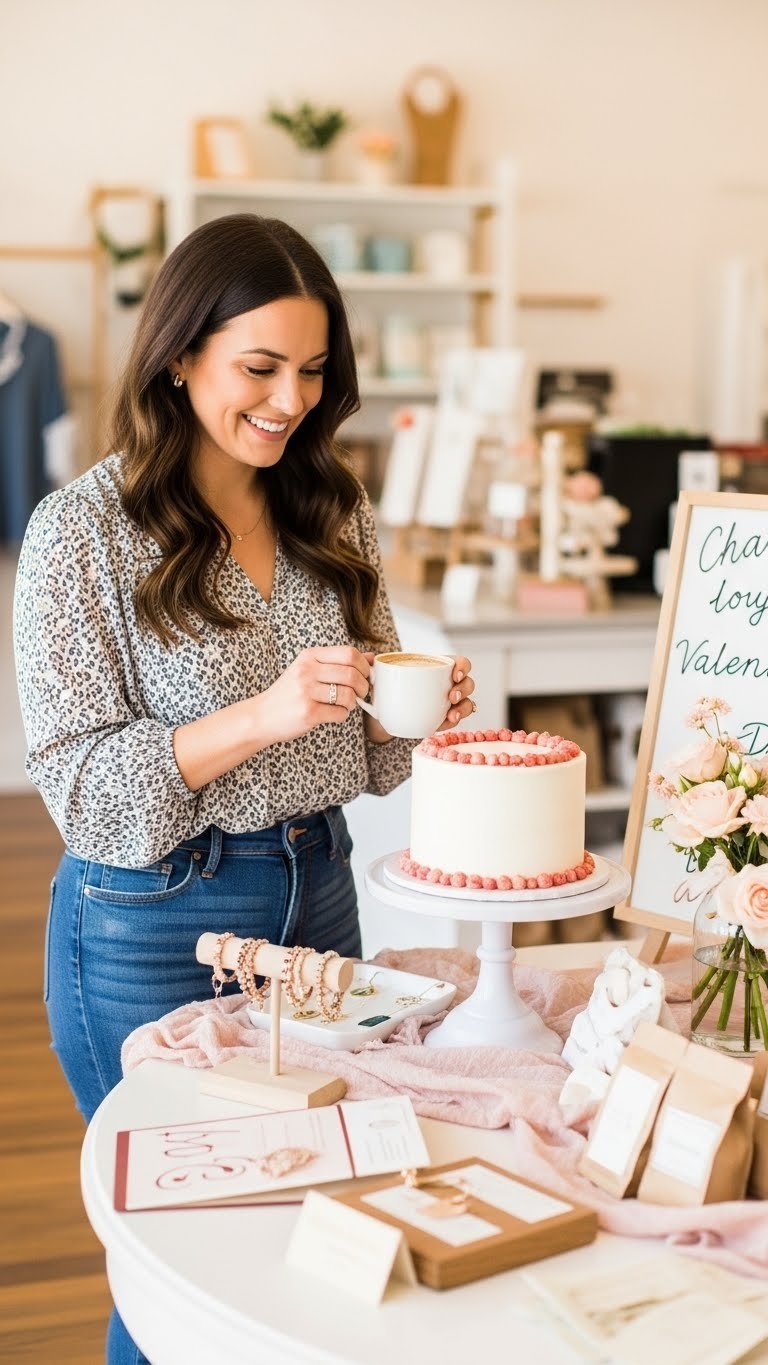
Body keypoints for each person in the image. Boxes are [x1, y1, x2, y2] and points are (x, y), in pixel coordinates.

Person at [13, 213, 475, 1364]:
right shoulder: (82, 534)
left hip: (318, 898)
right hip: (151, 917)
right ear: (181, 356)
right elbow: (79, 791)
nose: (290, 400)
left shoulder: (335, 509)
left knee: (319, 1221)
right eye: (259, 368)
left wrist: (408, 721)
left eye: (313, 372)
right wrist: (266, 709)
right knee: (180, 1254)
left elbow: (359, 761)